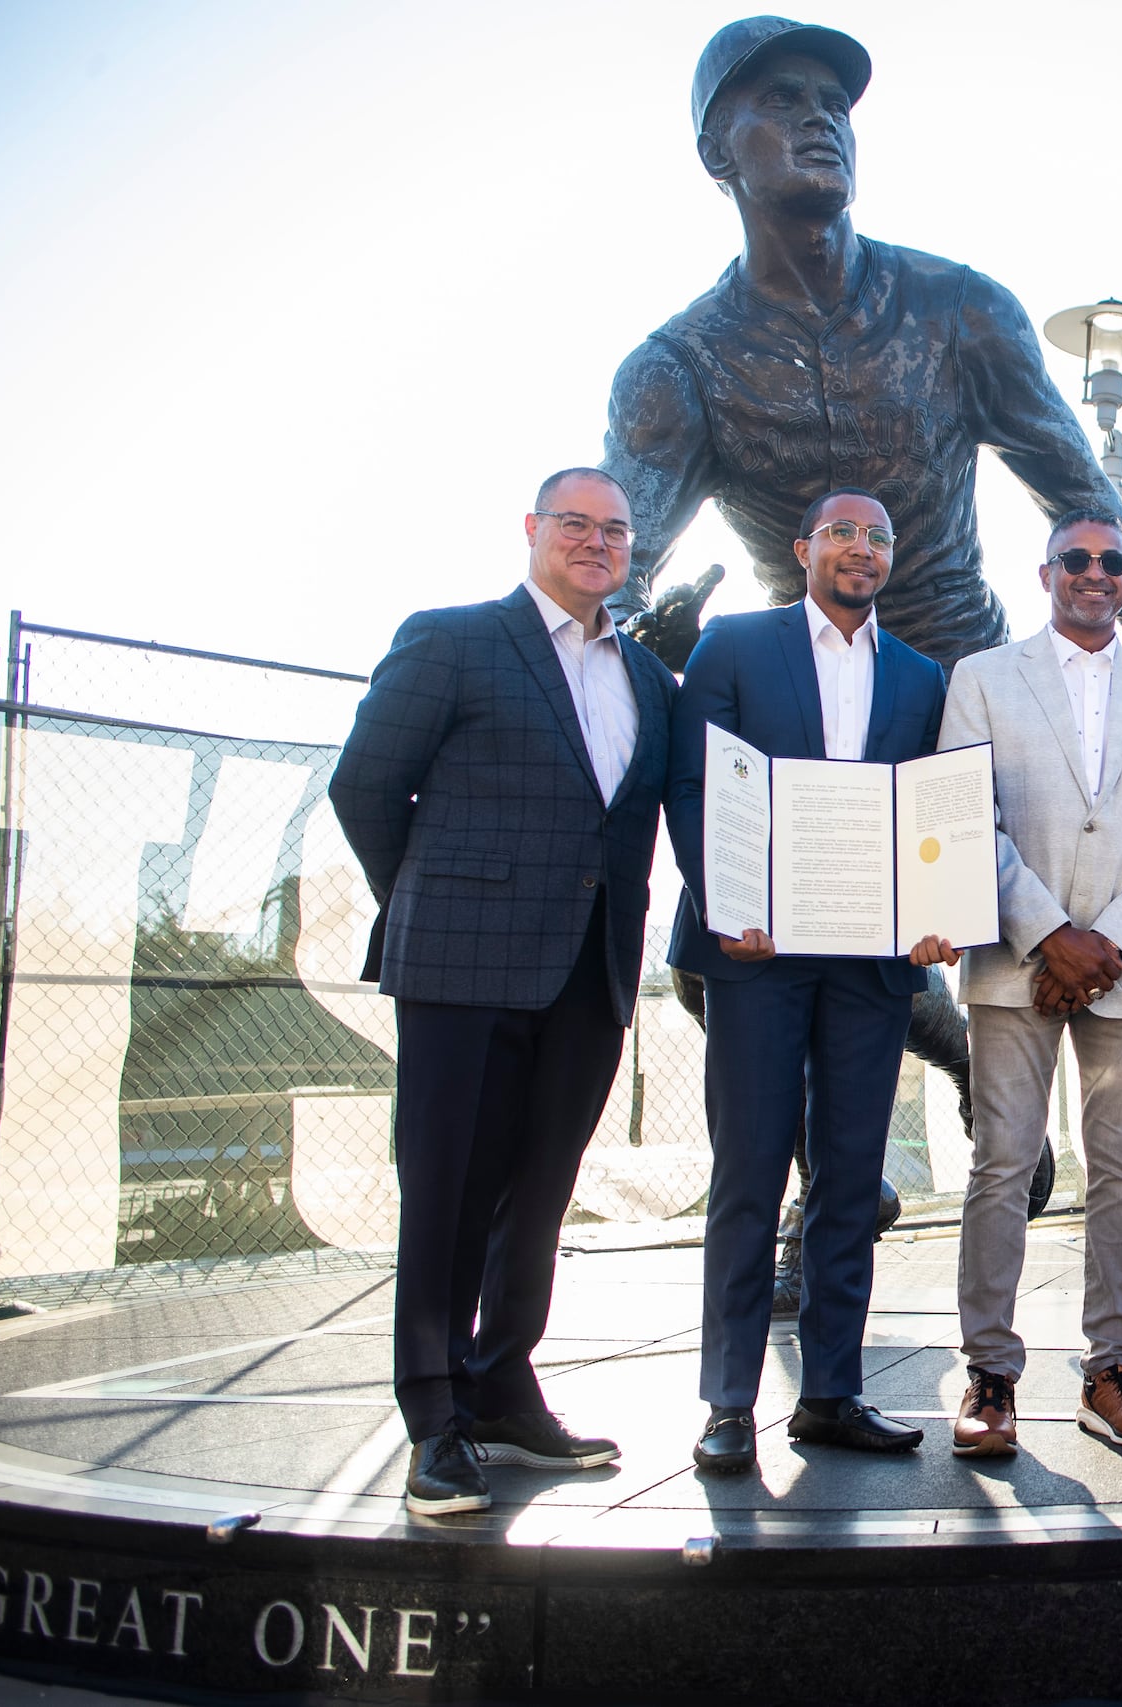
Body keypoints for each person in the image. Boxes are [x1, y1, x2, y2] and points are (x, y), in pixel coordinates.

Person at [602, 15, 1122, 691]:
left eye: (834, 105)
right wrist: (633, 636)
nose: (820, 121)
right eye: (782, 100)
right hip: (808, 702)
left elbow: (1091, 506)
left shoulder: (959, 311)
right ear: (718, 153)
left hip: (960, 688)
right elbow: (611, 559)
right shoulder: (679, 367)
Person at [328, 469, 676, 1516]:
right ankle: (434, 1420)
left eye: (614, 530)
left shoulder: (651, 681)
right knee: (445, 1195)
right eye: (574, 523)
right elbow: (365, 785)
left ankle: (504, 1391)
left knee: (537, 1197)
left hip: (589, 970)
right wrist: (435, 903)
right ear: (532, 529)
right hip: (462, 969)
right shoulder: (452, 639)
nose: (595, 542)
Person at [664, 487, 953, 1474]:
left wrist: (937, 912)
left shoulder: (918, 676)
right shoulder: (735, 648)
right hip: (757, 954)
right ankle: (730, 1401)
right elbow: (695, 783)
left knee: (845, 1180)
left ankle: (831, 1391)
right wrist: (720, 900)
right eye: (843, 532)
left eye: (879, 535)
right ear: (801, 549)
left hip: (868, 962)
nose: (862, 548)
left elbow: (933, 809)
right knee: (747, 1173)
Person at [939, 509, 1122, 1455]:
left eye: (1113, 562)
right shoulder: (982, 677)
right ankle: (989, 1374)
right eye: (1077, 560)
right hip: (1017, 962)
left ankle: (1111, 1368)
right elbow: (967, 812)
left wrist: (1111, 945)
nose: (1095, 574)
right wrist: (1050, 935)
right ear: (1047, 570)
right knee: (1001, 1164)